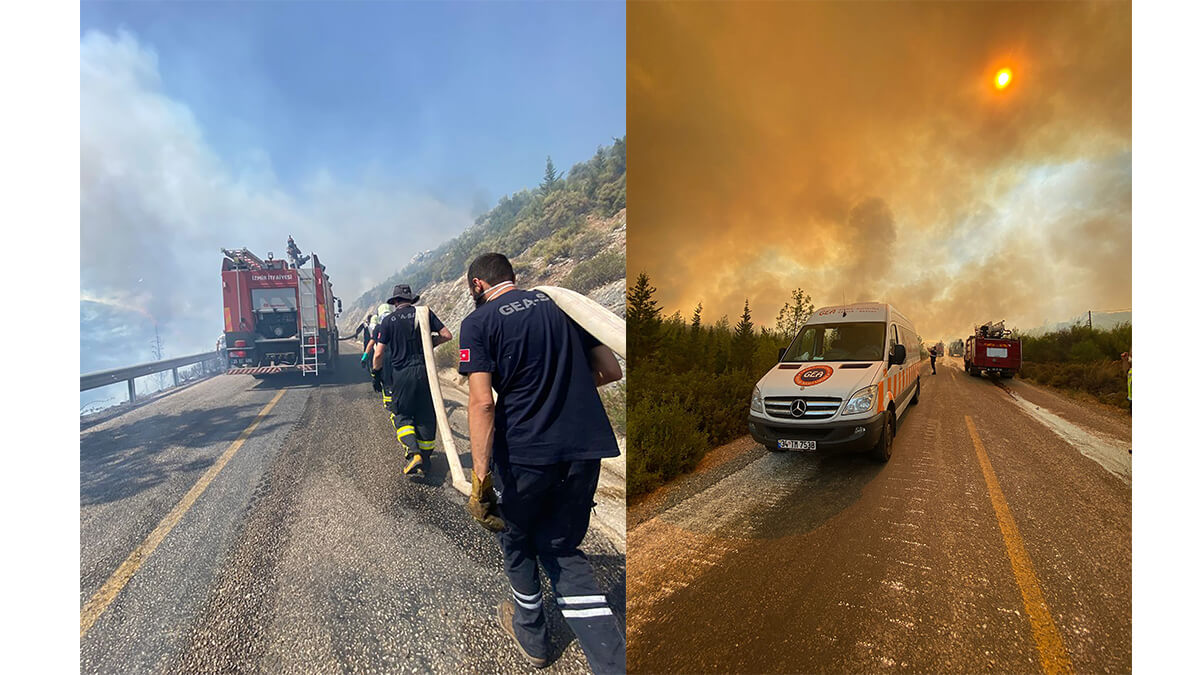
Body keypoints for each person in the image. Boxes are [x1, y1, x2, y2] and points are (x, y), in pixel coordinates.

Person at [458, 253, 625, 672]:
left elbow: (481, 404)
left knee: (516, 540)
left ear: (478, 285)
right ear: (512, 277)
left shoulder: (478, 324)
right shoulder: (562, 305)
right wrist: (561, 386)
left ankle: (532, 636)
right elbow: (609, 369)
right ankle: (610, 661)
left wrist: (481, 480)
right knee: (562, 547)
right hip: (584, 449)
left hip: (526, 456)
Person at [371, 285, 452, 479]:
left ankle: (414, 453)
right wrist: (429, 343)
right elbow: (447, 335)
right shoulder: (423, 314)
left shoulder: (388, 321)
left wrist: (376, 374)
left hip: (402, 375)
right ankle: (426, 457)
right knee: (425, 414)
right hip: (425, 372)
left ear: (395, 302)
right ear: (410, 300)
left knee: (401, 414)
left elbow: (379, 354)